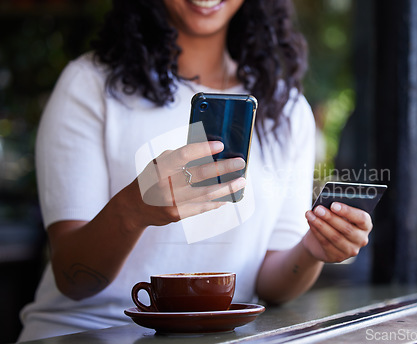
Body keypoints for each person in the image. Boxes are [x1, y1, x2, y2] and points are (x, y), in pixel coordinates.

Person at [18, 0, 372, 341]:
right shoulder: (90, 85)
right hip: (88, 332)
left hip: (220, 338)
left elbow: (270, 286)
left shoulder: (287, 109)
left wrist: (313, 250)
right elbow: (73, 280)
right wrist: (134, 209)